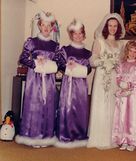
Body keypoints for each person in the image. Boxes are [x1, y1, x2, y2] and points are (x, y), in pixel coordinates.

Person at [15, 12, 60, 147]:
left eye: (49, 25)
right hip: (34, 79)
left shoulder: (55, 45)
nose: (46, 28)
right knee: (35, 105)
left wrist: (51, 64)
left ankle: (46, 136)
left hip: (49, 79)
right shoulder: (31, 41)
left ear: (52, 27)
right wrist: (35, 62)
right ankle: (34, 136)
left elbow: (58, 62)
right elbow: (22, 59)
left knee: (48, 105)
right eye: (43, 25)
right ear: (39, 26)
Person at [87, 13, 125, 149]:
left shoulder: (121, 44)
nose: (112, 28)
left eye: (115, 26)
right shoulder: (99, 41)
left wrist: (116, 65)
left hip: (114, 78)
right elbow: (92, 61)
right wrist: (104, 62)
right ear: (106, 26)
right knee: (101, 104)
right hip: (102, 77)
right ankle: (99, 137)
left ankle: (112, 137)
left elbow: (121, 63)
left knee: (113, 105)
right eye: (110, 25)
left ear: (118, 28)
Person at [55, 19, 92, 148]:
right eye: (75, 33)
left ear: (83, 34)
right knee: (68, 107)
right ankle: (65, 134)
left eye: (80, 33)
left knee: (80, 108)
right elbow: (59, 64)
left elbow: (89, 69)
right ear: (71, 35)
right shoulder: (65, 50)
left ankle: (79, 135)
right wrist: (67, 67)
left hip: (81, 85)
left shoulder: (87, 53)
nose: (78, 36)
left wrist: (78, 68)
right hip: (69, 83)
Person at [112, 40, 136, 151]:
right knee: (122, 115)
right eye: (131, 51)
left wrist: (131, 84)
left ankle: (132, 140)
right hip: (123, 94)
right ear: (127, 51)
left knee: (132, 117)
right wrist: (121, 83)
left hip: (134, 95)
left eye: (135, 52)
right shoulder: (121, 64)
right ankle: (123, 139)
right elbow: (118, 76)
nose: (133, 53)